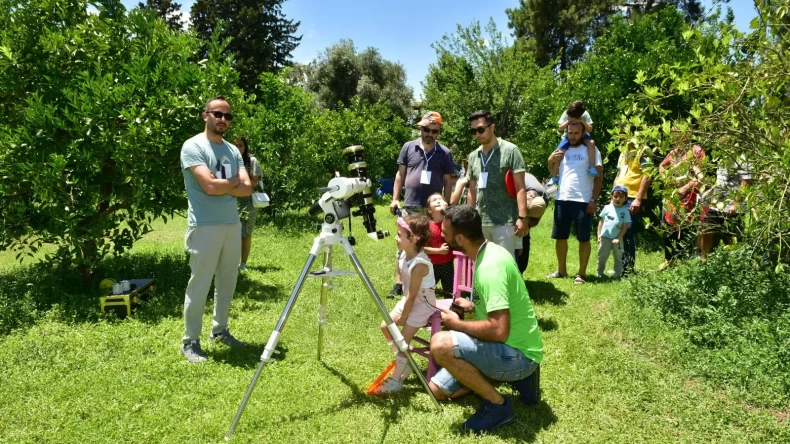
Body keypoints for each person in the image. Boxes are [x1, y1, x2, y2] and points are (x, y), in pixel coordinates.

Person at [429, 205, 543, 433]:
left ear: (460, 238)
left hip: (517, 353)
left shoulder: (490, 267)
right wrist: (472, 306)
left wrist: (456, 324)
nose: (441, 234)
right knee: (436, 389)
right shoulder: (490, 251)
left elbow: (499, 329)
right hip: (505, 347)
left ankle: (498, 405)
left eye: (445, 232)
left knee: (441, 345)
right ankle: (514, 379)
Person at [179, 96, 251, 363]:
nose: (224, 120)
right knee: (200, 283)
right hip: (204, 226)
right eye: (218, 114)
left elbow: (247, 188)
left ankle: (220, 331)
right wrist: (229, 184)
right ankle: (190, 341)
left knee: (227, 281)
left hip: (231, 223)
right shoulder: (193, 146)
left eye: (228, 116)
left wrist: (223, 184)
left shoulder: (232, 150)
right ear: (205, 115)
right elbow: (208, 187)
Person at [387, 111, 454, 298]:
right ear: (420, 128)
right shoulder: (408, 147)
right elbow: (400, 175)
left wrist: (446, 204)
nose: (430, 134)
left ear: (438, 132)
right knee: (404, 244)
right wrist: (394, 198)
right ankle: (399, 283)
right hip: (410, 204)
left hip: (432, 209)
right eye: (427, 129)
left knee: (429, 243)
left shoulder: (445, 153)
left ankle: (425, 281)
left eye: (435, 131)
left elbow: (448, 180)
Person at [373, 214, 437, 395]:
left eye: (400, 235)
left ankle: (396, 382)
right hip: (409, 300)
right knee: (385, 326)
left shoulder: (420, 264)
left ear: (413, 239)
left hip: (422, 304)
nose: (395, 238)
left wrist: (403, 317)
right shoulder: (403, 255)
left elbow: (412, 295)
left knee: (402, 340)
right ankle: (405, 360)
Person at [546, 121, 603, 284]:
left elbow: (599, 177)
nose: (572, 137)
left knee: (584, 238)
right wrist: (550, 160)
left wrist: (594, 199)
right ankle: (561, 270)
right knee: (560, 237)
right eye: (570, 133)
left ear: (583, 132)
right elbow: (553, 174)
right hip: (562, 198)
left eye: (576, 133)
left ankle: (581, 273)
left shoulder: (591, 150)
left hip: (583, 200)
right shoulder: (562, 149)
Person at [466, 110, 530, 256]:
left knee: (504, 265)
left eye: (481, 129)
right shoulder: (473, 156)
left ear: (492, 127)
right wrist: (469, 220)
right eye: (473, 131)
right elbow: (472, 190)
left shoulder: (511, 150)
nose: (477, 134)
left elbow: (520, 187)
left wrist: (522, 218)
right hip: (480, 221)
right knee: (481, 265)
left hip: (505, 220)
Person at [658, 128, 706, 269]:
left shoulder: (696, 151)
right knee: (667, 227)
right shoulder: (674, 152)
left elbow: (702, 178)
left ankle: (685, 263)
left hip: (689, 197)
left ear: (686, 133)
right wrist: (665, 177)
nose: (674, 137)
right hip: (672, 197)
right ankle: (669, 260)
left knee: (686, 228)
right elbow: (661, 165)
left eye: (676, 133)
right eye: (672, 134)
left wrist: (686, 187)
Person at [613, 124, 652, 276]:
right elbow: (618, 176)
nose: (620, 136)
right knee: (616, 231)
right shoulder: (623, 152)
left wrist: (638, 198)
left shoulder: (644, 150)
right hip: (618, 197)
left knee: (627, 232)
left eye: (621, 133)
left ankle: (628, 269)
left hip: (632, 197)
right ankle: (619, 266)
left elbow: (648, 174)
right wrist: (613, 196)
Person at [547, 101, 600, 186]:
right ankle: (554, 176)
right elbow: (560, 128)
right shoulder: (566, 113)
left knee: (591, 143)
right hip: (568, 137)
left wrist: (582, 121)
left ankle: (592, 167)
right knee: (558, 153)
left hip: (584, 135)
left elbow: (590, 129)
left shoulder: (585, 114)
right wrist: (568, 121)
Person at [234, 137, 262, 271]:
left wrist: (237, 180)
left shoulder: (252, 161)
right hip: (231, 200)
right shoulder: (227, 159)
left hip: (248, 201)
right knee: (231, 233)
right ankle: (231, 262)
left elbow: (255, 182)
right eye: (235, 145)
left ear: (245, 147)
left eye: (240, 145)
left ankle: (243, 263)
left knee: (245, 233)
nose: (238, 148)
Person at [596, 185, 632, 279]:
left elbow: (625, 227)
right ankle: (600, 272)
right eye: (615, 196)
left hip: (618, 239)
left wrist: (618, 238)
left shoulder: (625, 211)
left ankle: (617, 273)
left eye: (621, 197)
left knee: (618, 257)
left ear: (625, 198)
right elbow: (601, 222)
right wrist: (599, 234)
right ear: (611, 197)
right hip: (605, 237)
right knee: (602, 256)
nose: (618, 199)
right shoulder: (607, 208)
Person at [516, 173, 548, 275]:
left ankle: (520, 269)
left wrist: (525, 225)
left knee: (524, 233)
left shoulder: (544, 198)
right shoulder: (519, 185)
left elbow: (536, 221)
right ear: (530, 195)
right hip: (514, 194)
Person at [423, 193, 453, 293]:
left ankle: (450, 307)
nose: (438, 201)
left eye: (441, 199)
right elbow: (421, 248)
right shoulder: (426, 226)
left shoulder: (451, 223)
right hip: (431, 265)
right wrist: (439, 251)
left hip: (448, 264)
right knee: (426, 291)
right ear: (429, 210)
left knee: (449, 292)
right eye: (434, 200)